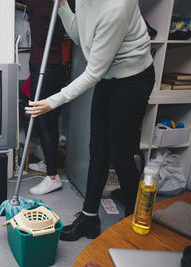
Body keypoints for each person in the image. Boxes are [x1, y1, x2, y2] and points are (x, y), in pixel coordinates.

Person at [25, 0, 155, 241]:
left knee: (121, 153)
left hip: (133, 78)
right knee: (97, 148)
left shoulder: (117, 6)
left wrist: (52, 101)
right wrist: (63, 6)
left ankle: (133, 219)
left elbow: (93, 72)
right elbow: (78, 36)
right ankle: (89, 219)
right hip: (108, 74)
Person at [16, 0, 68, 195]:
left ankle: (53, 177)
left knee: (44, 121)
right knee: (50, 118)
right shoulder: (61, 3)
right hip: (56, 67)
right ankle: (49, 162)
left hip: (43, 68)